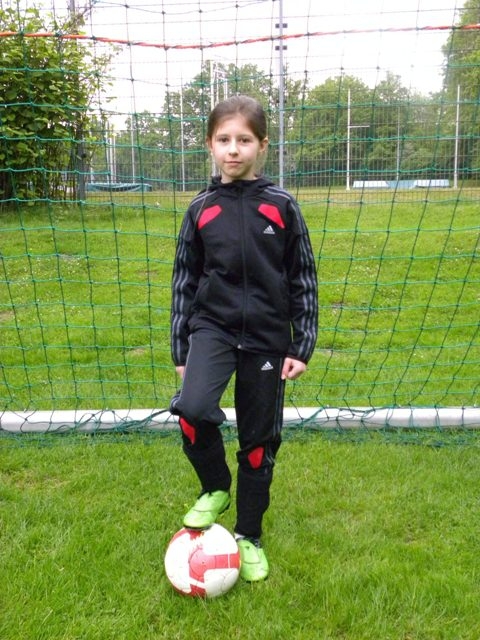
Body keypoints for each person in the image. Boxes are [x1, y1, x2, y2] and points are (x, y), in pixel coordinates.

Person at [169, 94, 318, 582]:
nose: (233, 149)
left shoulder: (282, 206)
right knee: (192, 410)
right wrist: (181, 348)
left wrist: (301, 344)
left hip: (267, 339)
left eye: (244, 140)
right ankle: (215, 486)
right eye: (224, 140)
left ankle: (249, 536)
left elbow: (303, 277)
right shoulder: (201, 209)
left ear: (262, 146)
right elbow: (184, 280)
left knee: (258, 443)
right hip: (212, 329)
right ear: (210, 145)